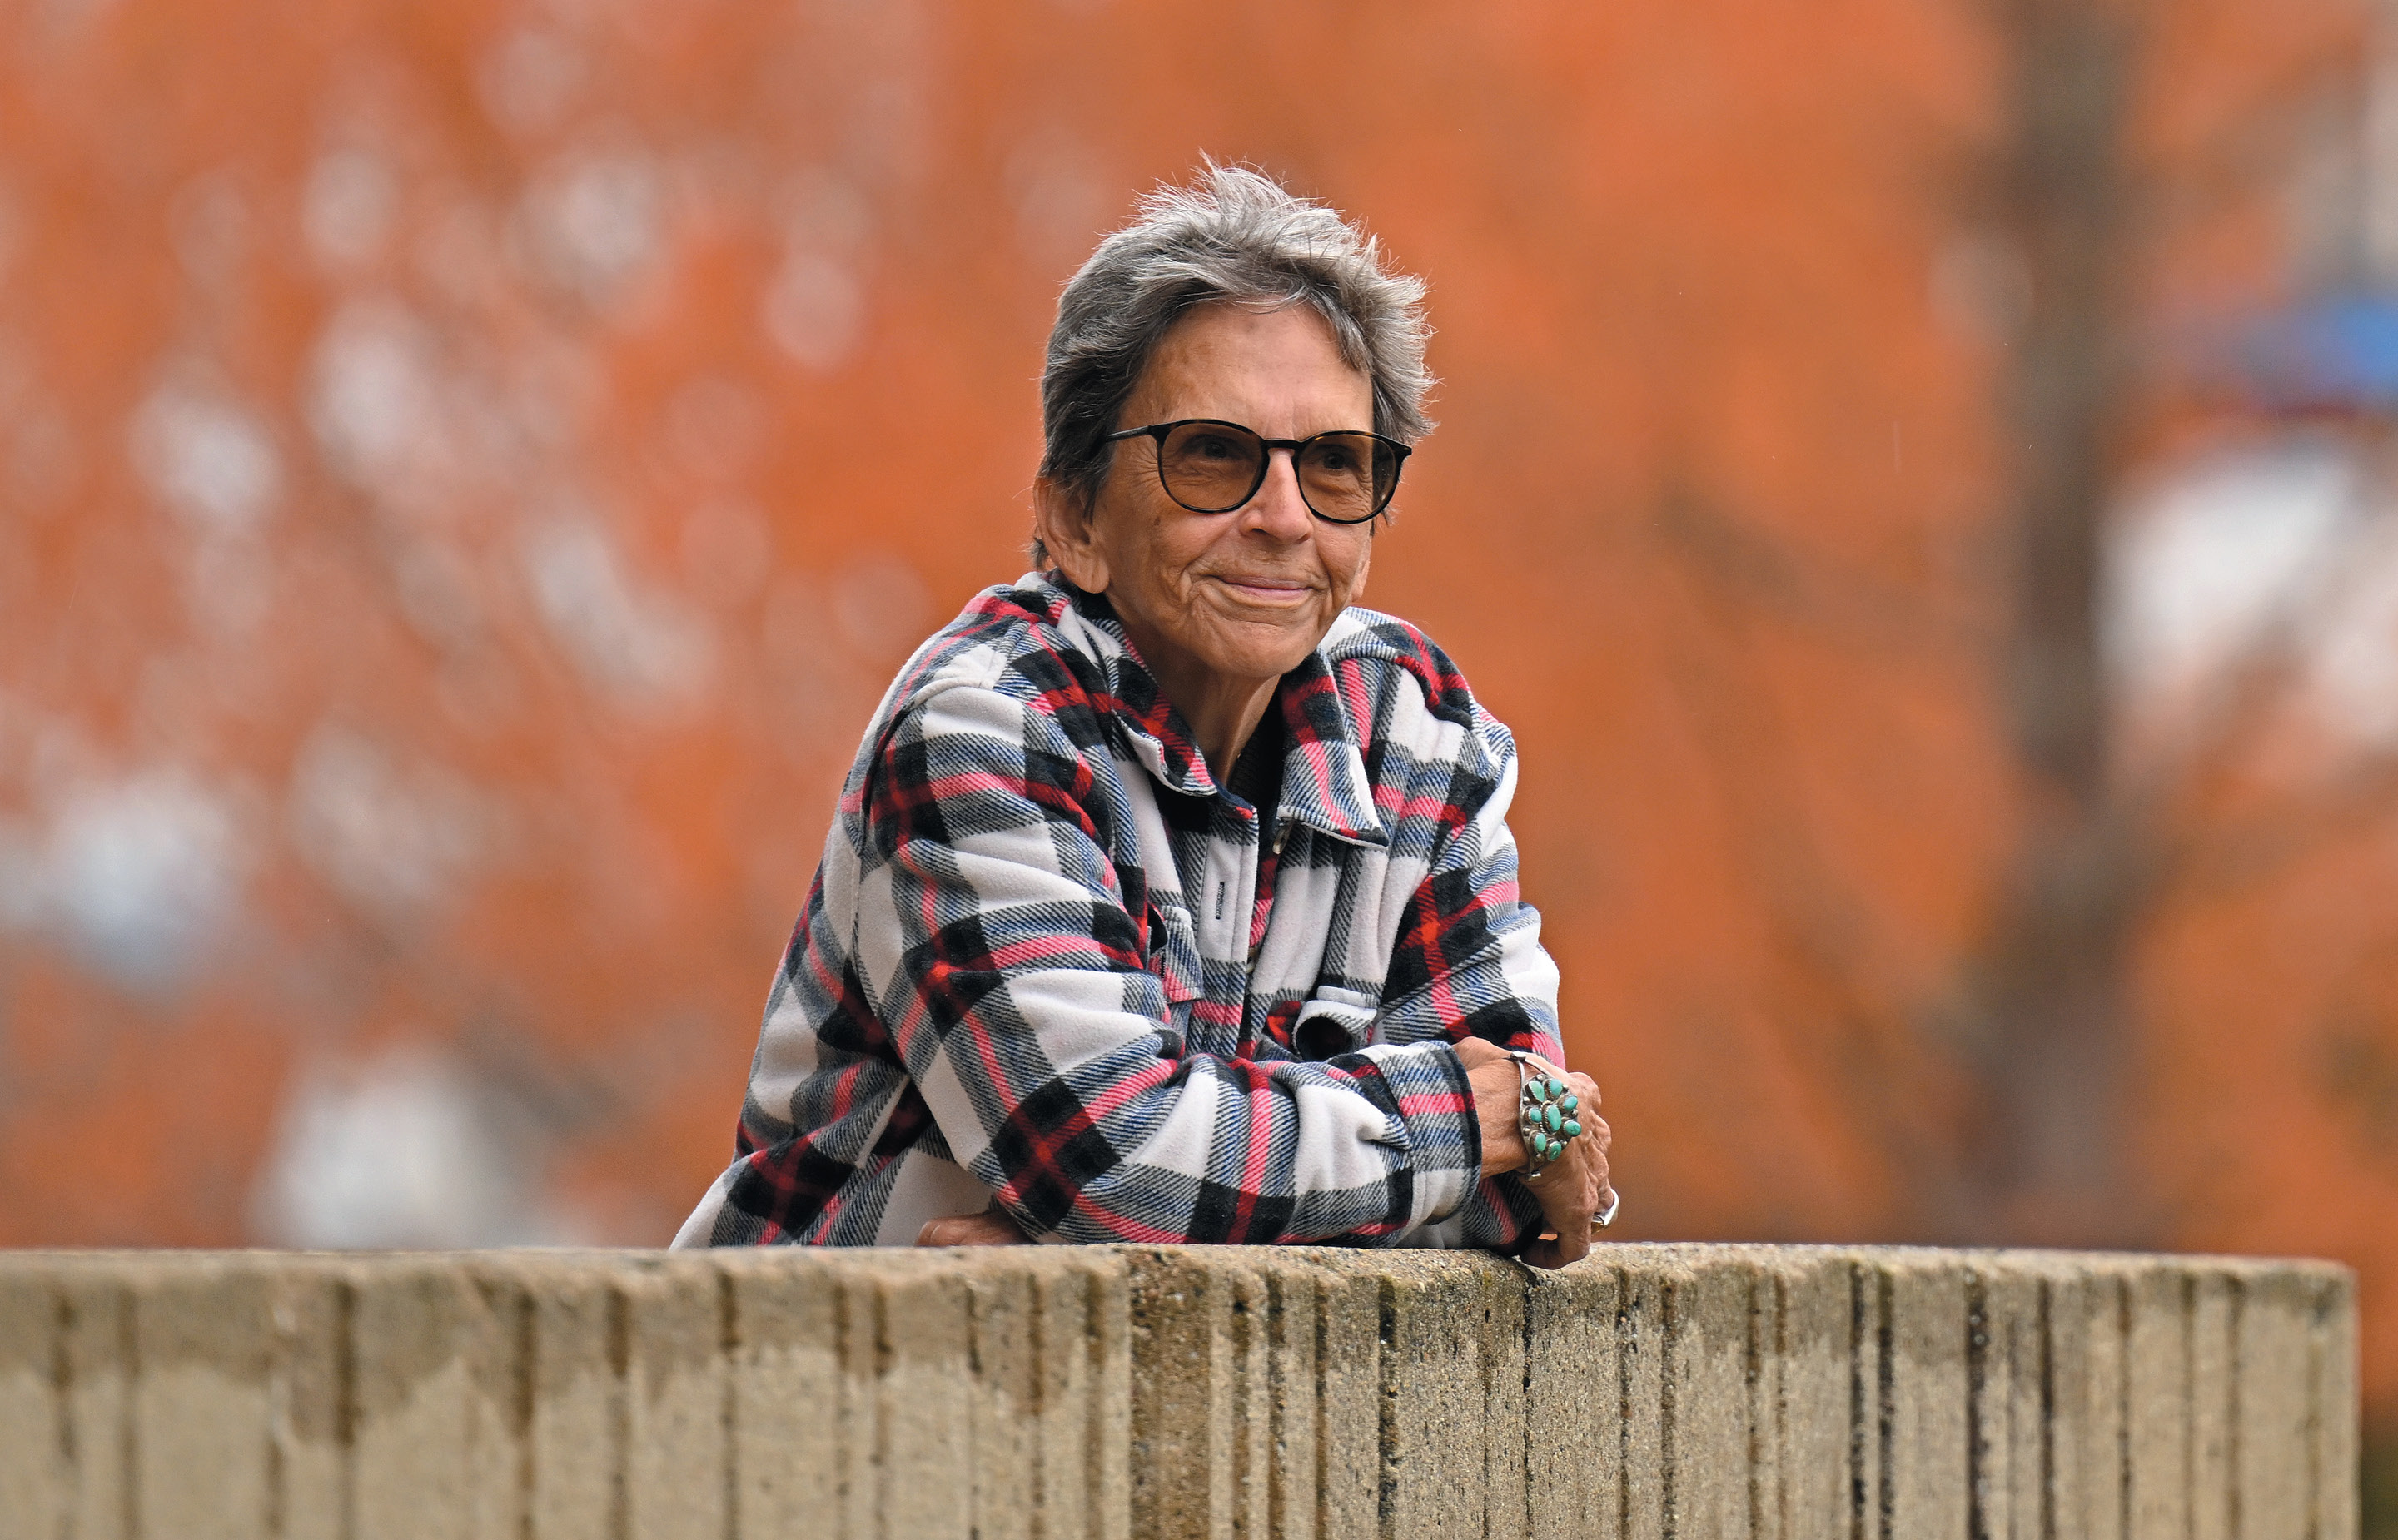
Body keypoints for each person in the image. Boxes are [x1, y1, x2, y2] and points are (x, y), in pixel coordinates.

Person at [674, 162, 1616, 1267]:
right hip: (809, 1402)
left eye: (1334, 465)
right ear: (1074, 516)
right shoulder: (982, 728)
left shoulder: (1419, 734)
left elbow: (1538, 1199)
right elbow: (1119, 1160)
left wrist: (1153, 1213)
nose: (1282, 517)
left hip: (1161, 1416)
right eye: (1213, 454)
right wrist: (1464, 1124)